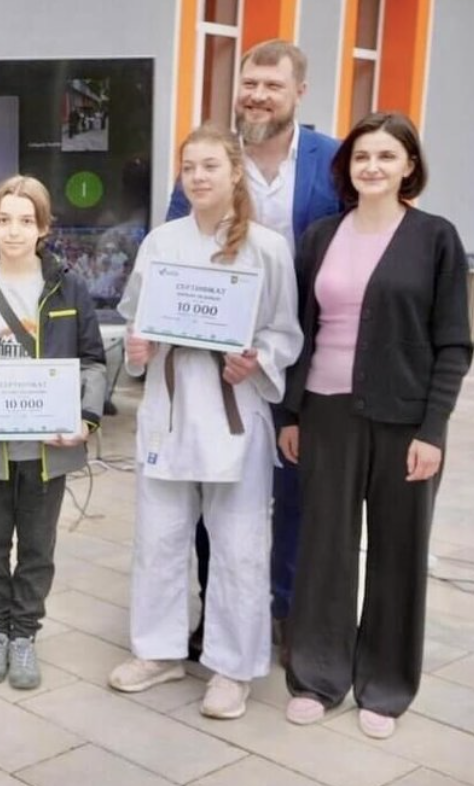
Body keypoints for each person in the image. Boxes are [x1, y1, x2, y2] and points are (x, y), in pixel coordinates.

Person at [279, 112, 471, 739]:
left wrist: (433, 430)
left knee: (398, 554)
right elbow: (300, 332)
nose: (373, 167)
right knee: (325, 549)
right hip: (326, 412)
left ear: (409, 165)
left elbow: (453, 344)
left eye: (387, 156)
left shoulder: (436, 238)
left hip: (404, 421)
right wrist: (292, 412)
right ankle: (317, 675)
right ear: (347, 166)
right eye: (363, 156)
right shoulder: (322, 237)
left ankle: (385, 687)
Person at [109, 124, 302, 719]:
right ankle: (159, 650)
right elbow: (136, 319)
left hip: (232, 411)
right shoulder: (161, 243)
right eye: (189, 166)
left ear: (234, 172)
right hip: (170, 411)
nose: (197, 176)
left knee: (240, 545)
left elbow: (284, 333)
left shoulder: (267, 248)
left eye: (210, 166)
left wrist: (258, 360)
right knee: (160, 537)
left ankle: (232, 666)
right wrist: (138, 352)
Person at [168, 39, 341, 661]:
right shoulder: (213, 159)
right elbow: (176, 245)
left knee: (297, 485)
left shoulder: (333, 159)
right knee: (219, 481)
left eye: (271, 84)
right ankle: (215, 614)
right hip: (225, 358)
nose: (257, 95)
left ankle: (287, 612)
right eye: (249, 83)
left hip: (312, 349)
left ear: (299, 91)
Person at [0, 175, 106, 690]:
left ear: (44, 228)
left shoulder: (68, 285)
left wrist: (83, 416)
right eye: (5, 219)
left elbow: (92, 360)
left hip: (46, 448)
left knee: (37, 545)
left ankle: (25, 635)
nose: (15, 231)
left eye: (26, 221)